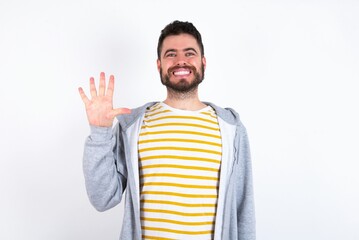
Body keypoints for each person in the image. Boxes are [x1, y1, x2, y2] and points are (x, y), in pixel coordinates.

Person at [78, 20, 255, 240]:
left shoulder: (232, 129)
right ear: (159, 65)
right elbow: (103, 198)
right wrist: (100, 132)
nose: (181, 60)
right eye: (171, 54)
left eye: (189, 53)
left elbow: (243, 209)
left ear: (203, 62)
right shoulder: (132, 125)